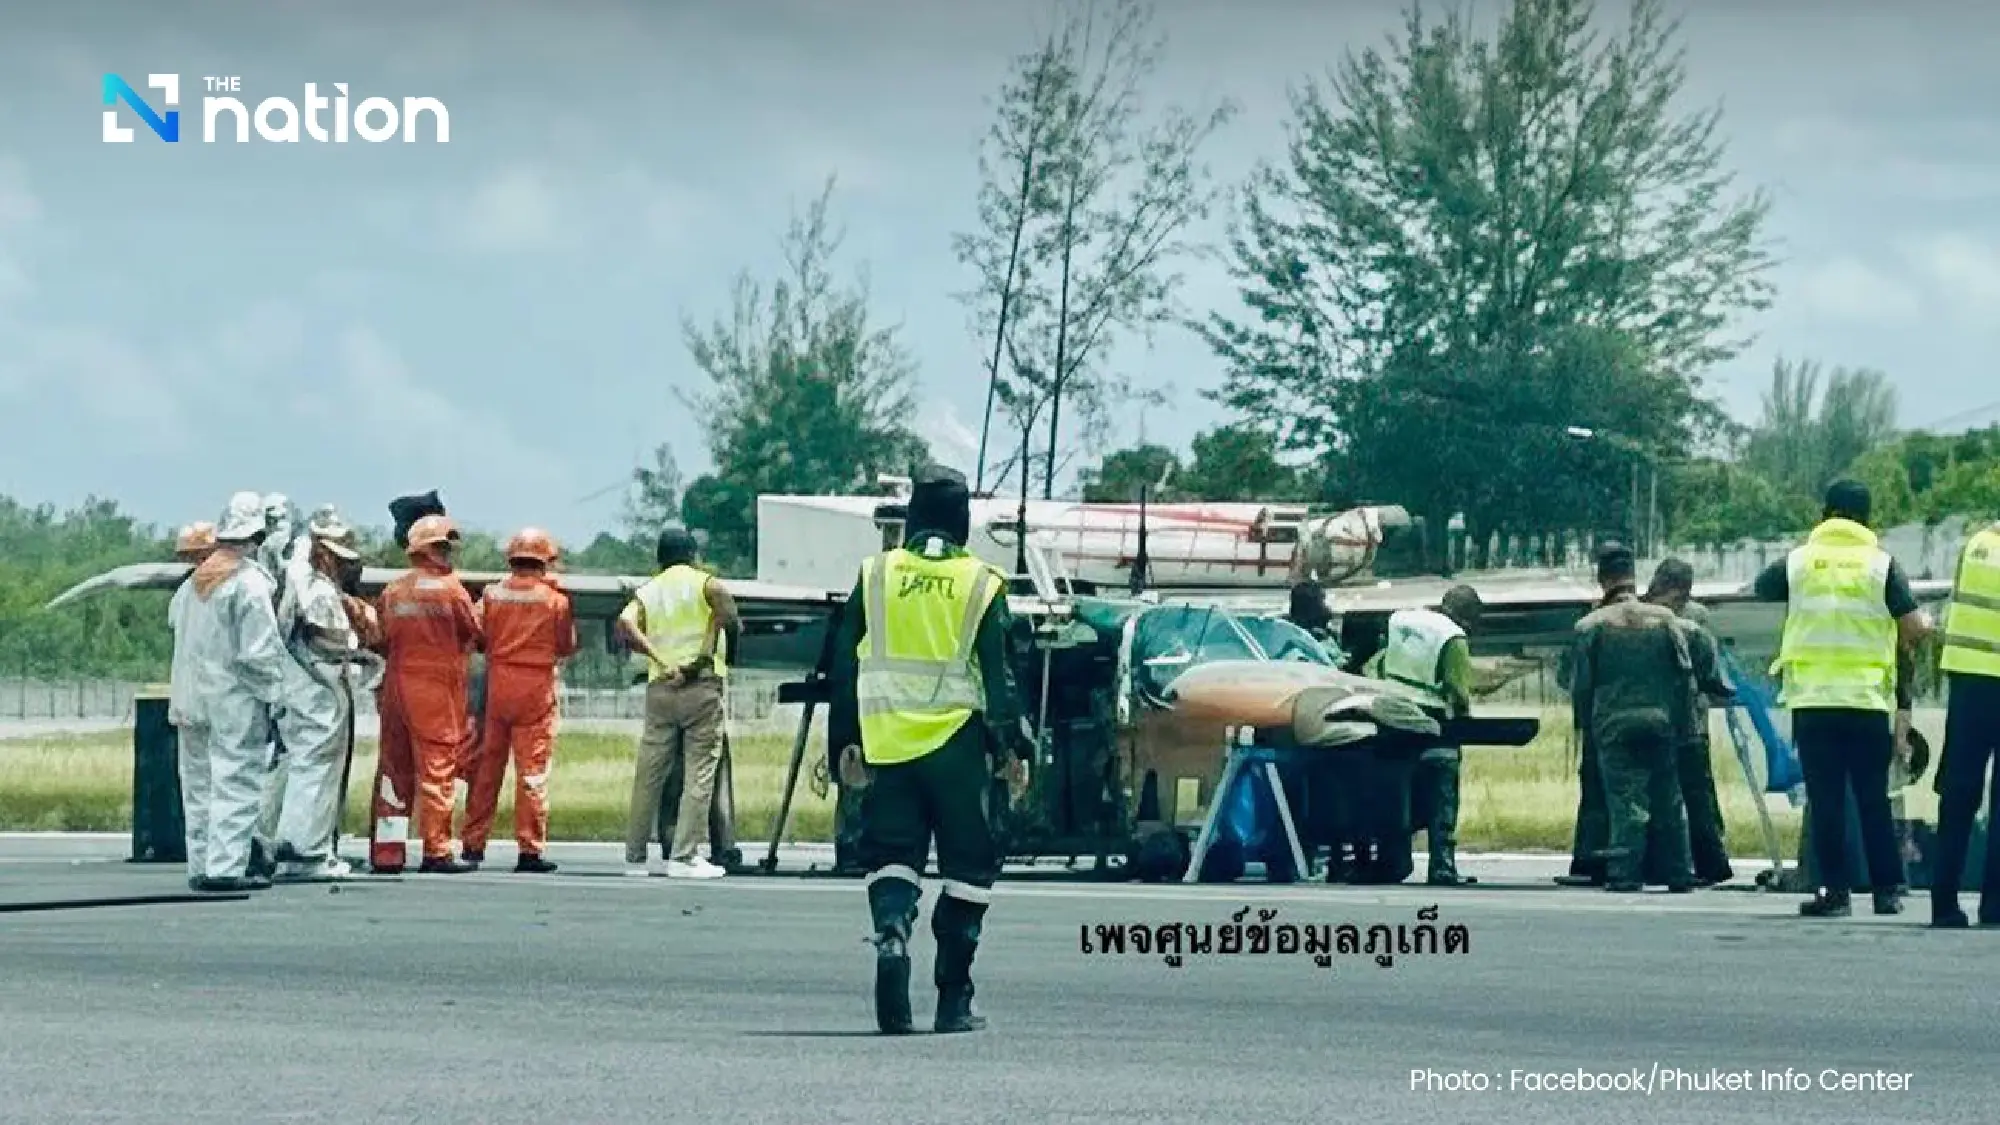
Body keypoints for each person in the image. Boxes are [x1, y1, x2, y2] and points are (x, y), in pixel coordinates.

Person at [827, 465, 1034, 1035]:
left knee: (892, 855)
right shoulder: (982, 582)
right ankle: (953, 1000)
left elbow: (842, 667)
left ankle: (892, 934)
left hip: (887, 743)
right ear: (964, 522)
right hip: (958, 749)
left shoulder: (875, 574)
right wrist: (1013, 745)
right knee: (969, 866)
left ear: (913, 518)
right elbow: (1001, 677)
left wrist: (842, 743)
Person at [1754, 479, 1931, 917]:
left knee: (1827, 799)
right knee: (1873, 798)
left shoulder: (1797, 563)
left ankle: (1834, 893)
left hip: (1813, 701)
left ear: (1826, 512)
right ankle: (1887, 890)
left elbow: (1761, 587)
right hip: (1866, 701)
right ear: (1867, 517)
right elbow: (1912, 626)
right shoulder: (1881, 565)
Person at [1568, 543, 1710, 894]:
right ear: (1635, 576)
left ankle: (1625, 872)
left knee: (1624, 800)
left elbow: (1579, 685)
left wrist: (1586, 724)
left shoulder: (1589, 626)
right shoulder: (1666, 621)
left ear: (1602, 579)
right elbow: (1690, 665)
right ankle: (1678, 873)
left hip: (1613, 727)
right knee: (1668, 798)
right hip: (1662, 722)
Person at [171, 492, 294, 893]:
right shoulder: (249, 582)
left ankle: (200, 863)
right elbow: (258, 653)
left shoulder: (192, 585)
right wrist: (275, 698)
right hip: (233, 700)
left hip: (190, 698)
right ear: (257, 534)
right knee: (235, 781)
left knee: (198, 784)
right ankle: (224, 868)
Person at [618, 524, 739, 879]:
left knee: (649, 774)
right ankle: (684, 855)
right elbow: (729, 615)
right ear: (693, 555)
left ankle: (635, 856)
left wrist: (658, 658)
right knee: (699, 774)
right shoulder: (706, 584)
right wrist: (706, 645)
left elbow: (625, 622)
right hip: (700, 687)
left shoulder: (649, 590)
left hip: (660, 687)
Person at [368, 514, 482, 875]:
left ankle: (387, 852)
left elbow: (379, 638)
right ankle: (436, 850)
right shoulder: (453, 590)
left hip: (397, 686)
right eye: (443, 546)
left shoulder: (393, 591)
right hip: (435, 687)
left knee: (394, 769)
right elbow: (476, 631)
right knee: (438, 767)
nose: (448, 554)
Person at [461, 528, 578, 874]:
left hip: (499, 687)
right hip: (536, 690)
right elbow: (566, 645)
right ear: (544, 560)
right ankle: (529, 850)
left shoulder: (492, 595)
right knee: (533, 773)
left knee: (486, 771)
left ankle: (472, 844)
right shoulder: (555, 600)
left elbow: (476, 632)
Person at [267, 507, 371, 881]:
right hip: (318, 691)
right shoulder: (314, 588)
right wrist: (362, 654)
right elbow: (326, 640)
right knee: (315, 768)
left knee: (296, 766)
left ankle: (283, 842)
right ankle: (305, 849)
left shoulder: (295, 579)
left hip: (302, 689)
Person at [1364, 586, 1482, 886]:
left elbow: (1374, 665)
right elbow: (1457, 687)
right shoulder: (1452, 637)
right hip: (1432, 727)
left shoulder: (1401, 621)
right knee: (1442, 794)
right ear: (1468, 616)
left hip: (1391, 720)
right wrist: (1464, 716)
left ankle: (1392, 862)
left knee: (1395, 796)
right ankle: (1442, 866)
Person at [1643, 558, 1736, 885]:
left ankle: (1663, 862)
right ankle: (1706, 862)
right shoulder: (1695, 618)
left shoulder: (1641, 614)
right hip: (1688, 719)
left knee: (1665, 793)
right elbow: (1708, 665)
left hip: (1660, 716)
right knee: (1695, 792)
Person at [1929, 515, 2000, 928]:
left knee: (1958, 794)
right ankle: (1994, 904)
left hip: (1969, 681)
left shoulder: (1977, 546)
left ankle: (1944, 902)